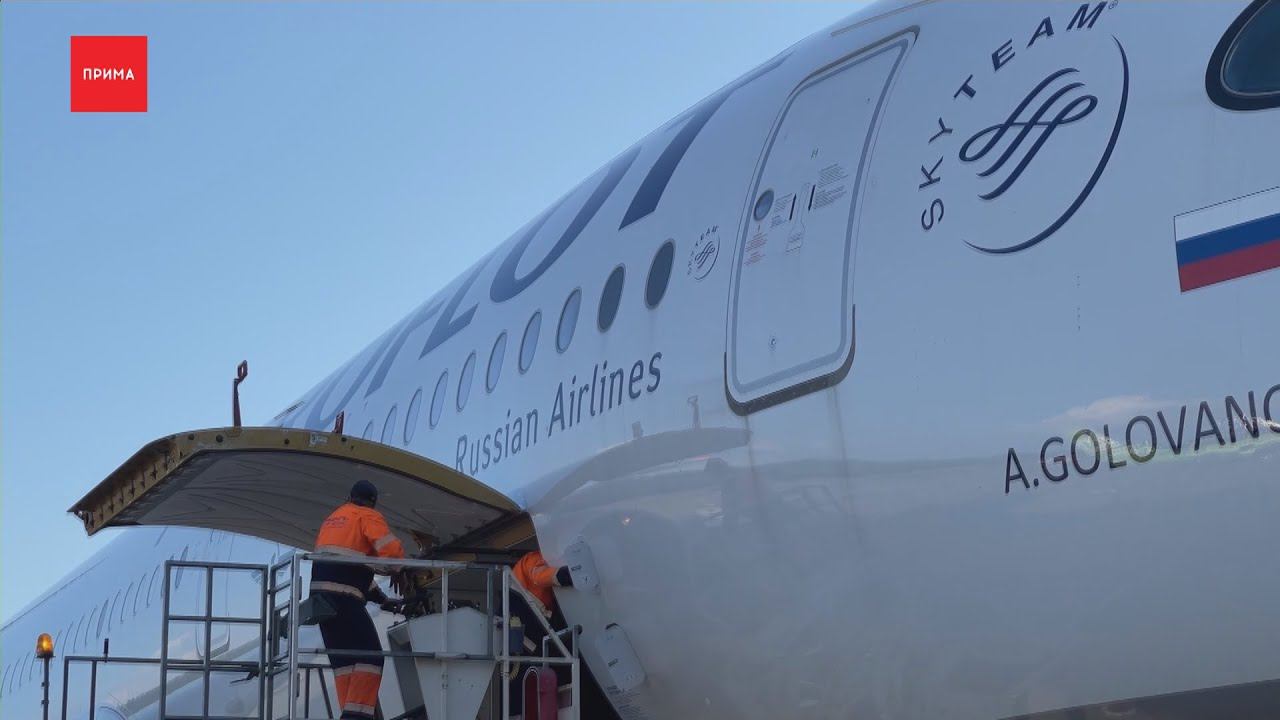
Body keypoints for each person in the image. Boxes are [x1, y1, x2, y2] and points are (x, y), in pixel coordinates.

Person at [310, 480, 405, 720]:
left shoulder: (334, 518)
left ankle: (349, 713)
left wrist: (382, 599)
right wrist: (401, 569)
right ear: (372, 502)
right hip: (344, 598)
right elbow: (392, 552)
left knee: (345, 665)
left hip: (322, 603)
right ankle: (356, 717)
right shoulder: (366, 515)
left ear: (349, 497)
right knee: (371, 658)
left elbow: (350, 567)